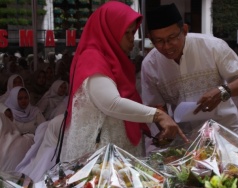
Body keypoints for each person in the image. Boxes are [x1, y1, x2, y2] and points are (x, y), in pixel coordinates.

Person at [61, 1, 187, 162]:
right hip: (99, 153)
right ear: (110, 31)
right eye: (126, 33)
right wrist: (158, 116)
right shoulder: (92, 57)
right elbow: (111, 103)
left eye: (132, 33)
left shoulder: (115, 60)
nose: (131, 39)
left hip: (116, 148)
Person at [142, 3, 238, 136]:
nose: (166, 46)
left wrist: (222, 91)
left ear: (184, 30)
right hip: (186, 138)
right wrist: (164, 128)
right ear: (150, 38)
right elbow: (156, 107)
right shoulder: (150, 64)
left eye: (172, 38)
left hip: (225, 132)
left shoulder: (212, 46)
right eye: (159, 41)